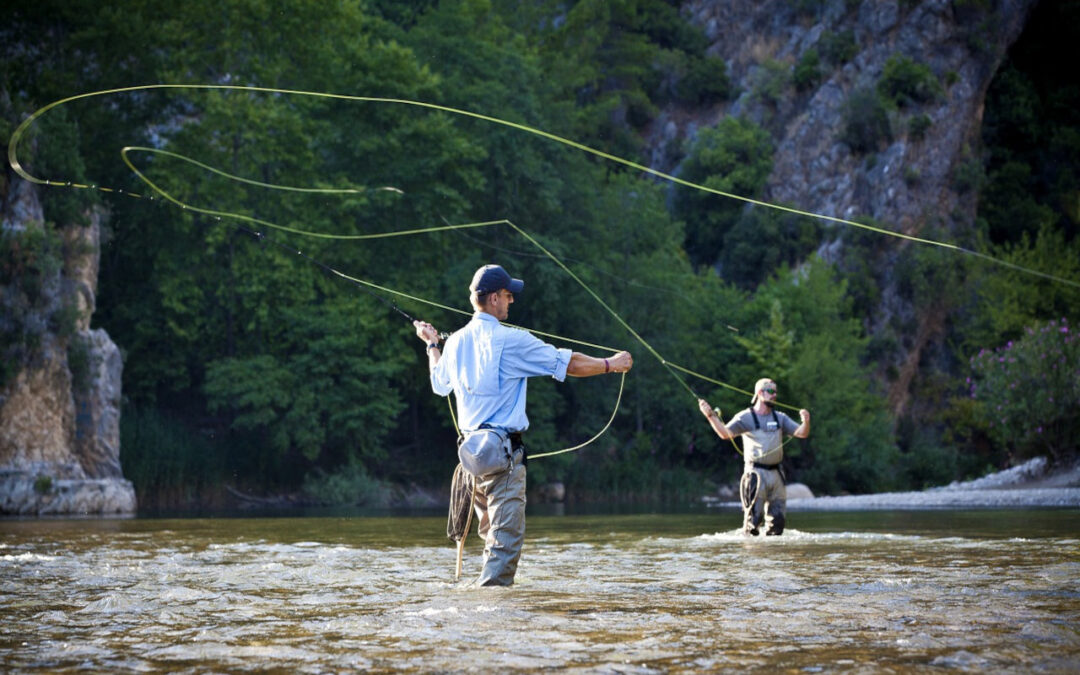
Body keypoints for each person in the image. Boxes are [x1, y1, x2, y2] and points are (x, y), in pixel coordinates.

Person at [414, 263, 633, 585]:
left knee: (492, 536)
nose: (511, 301)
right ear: (491, 300)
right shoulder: (510, 340)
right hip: (502, 457)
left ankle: (481, 609)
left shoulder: (456, 341)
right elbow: (567, 363)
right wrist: (610, 365)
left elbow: (438, 383)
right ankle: (493, 616)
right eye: (507, 295)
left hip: (473, 461)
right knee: (505, 542)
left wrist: (432, 345)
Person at [697, 378, 809, 536]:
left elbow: (802, 433)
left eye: (775, 391)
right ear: (759, 393)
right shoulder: (745, 417)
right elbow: (724, 433)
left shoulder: (780, 417)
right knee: (753, 523)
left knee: (778, 525)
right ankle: (751, 556)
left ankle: (775, 558)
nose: (774, 395)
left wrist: (806, 421)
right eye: (770, 391)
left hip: (777, 474)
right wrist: (710, 415)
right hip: (755, 474)